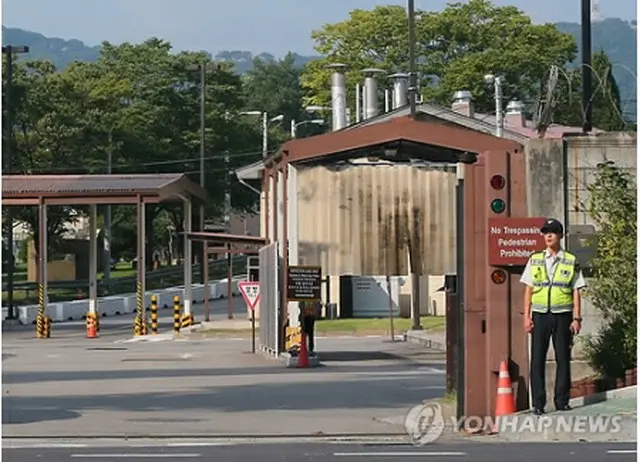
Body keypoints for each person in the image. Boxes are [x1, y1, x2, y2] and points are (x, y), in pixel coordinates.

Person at [520, 218, 586, 415]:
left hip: (563, 316)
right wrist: (527, 316)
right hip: (540, 315)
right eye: (545, 232)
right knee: (537, 358)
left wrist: (577, 318)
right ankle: (538, 403)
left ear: (560, 236)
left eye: (552, 232)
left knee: (563, 358)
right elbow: (528, 289)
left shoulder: (570, 260)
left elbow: (576, 290)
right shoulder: (535, 259)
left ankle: (562, 401)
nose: (548, 236)